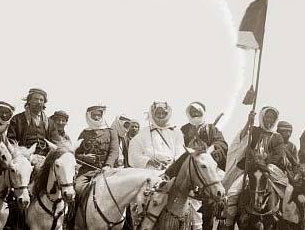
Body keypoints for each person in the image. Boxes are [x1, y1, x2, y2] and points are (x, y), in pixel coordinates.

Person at [223, 106, 288, 230]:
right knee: (232, 193)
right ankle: (228, 224)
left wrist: (264, 165)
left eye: (272, 118)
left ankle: (282, 219)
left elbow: (277, 155)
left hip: (270, 169)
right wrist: (249, 121)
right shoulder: (253, 130)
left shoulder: (277, 137)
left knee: (287, 192)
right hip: (252, 169)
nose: (269, 120)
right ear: (262, 117)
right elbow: (242, 139)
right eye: (267, 117)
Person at [181, 102, 228, 230]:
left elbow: (222, 144)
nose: (195, 114)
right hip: (190, 166)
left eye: (197, 112)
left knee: (220, 191)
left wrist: (210, 151)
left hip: (208, 166)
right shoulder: (183, 130)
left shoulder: (211, 129)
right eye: (193, 112)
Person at [128, 101, 185, 170]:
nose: (161, 116)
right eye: (158, 113)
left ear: (167, 114)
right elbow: (133, 153)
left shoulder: (176, 132)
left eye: (163, 113)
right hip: (150, 170)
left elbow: (181, 152)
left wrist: (172, 162)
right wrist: (148, 161)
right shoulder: (144, 132)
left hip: (172, 169)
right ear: (153, 115)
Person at [7, 88, 60, 156]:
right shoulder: (17, 119)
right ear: (29, 101)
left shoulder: (50, 122)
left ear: (44, 103)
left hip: (45, 157)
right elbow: (11, 141)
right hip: (24, 156)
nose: (39, 102)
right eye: (35, 99)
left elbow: (56, 142)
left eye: (41, 100)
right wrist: (21, 153)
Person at [75, 105, 119, 176]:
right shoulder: (84, 133)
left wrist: (108, 165)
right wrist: (84, 158)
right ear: (89, 116)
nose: (96, 118)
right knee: (78, 186)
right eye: (94, 115)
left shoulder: (111, 132)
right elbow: (76, 154)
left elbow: (114, 151)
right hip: (87, 171)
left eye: (99, 115)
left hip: (108, 170)